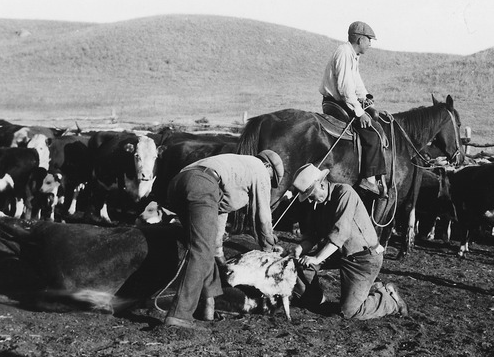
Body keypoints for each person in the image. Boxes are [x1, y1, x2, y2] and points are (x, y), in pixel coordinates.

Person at [163, 150, 285, 330]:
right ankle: (179, 315)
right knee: (201, 251)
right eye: (271, 178)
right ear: (268, 166)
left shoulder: (235, 168)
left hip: (179, 183)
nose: (268, 183)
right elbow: (263, 216)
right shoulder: (259, 169)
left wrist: (218, 252)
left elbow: (219, 214)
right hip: (202, 185)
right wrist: (269, 248)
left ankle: (208, 306)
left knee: (204, 247)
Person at [287, 163, 408, 320]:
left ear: (321, 184)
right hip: (340, 252)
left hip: (363, 258)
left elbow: (340, 233)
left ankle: (389, 300)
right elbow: (312, 235)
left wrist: (316, 258)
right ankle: (316, 300)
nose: (310, 200)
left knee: (350, 312)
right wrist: (299, 249)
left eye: (311, 194)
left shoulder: (344, 193)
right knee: (302, 266)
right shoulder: (317, 203)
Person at [319, 20, 387, 197]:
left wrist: (368, 103)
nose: (370, 44)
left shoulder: (353, 56)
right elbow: (345, 89)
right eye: (369, 40)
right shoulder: (344, 53)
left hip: (343, 101)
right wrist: (360, 112)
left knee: (374, 121)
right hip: (336, 103)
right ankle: (369, 180)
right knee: (372, 133)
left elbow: (357, 85)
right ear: (360, 39)